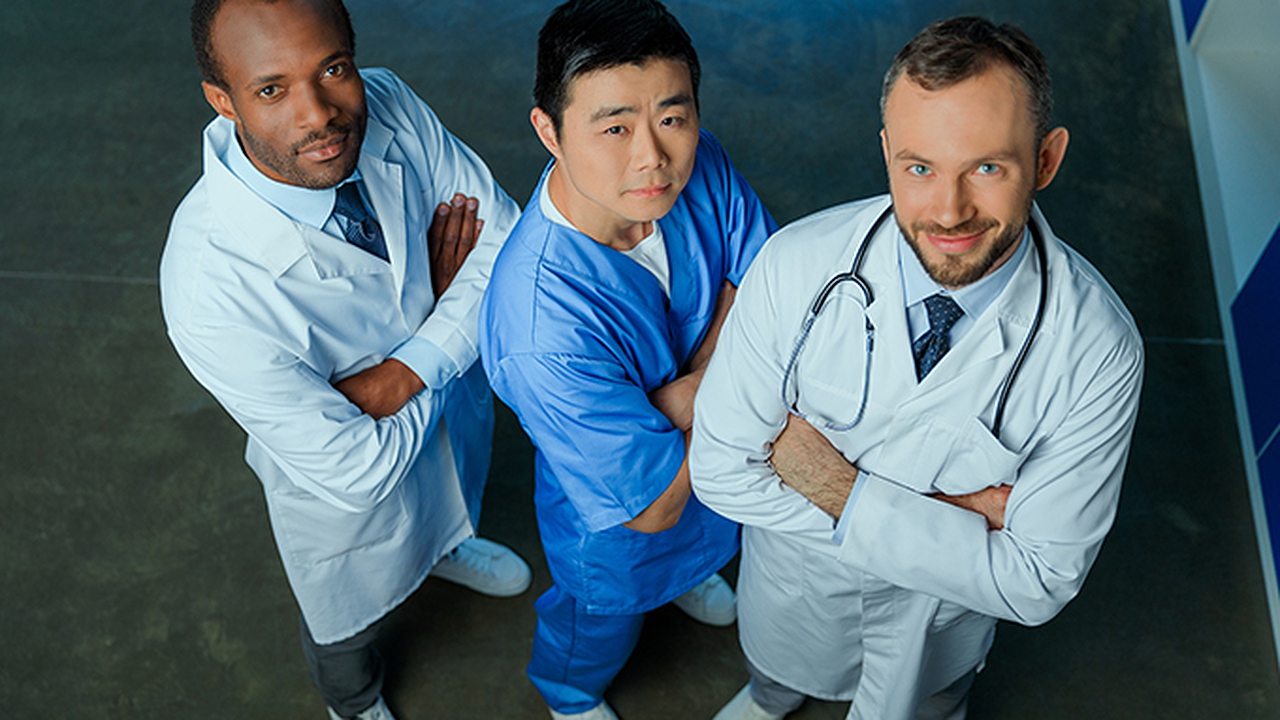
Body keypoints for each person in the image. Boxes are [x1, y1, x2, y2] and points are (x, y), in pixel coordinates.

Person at [691, 16, 1144, 720]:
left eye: (987, 168)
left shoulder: (1097, 349)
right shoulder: (797, 264)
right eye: (920, 168)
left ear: (1047, 159)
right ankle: (770, 700)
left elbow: (1037, 582)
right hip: (800, 595)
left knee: (932, 700)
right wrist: (956, 519)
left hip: (939, 628)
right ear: (887, 153)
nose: (949, 211)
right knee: (777, 674)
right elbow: (721, 473)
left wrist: (837, 487)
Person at [160, 1, 532, 718]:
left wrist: (403, 371)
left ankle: (446, 549)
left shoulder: (386, 99)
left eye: (333, 69)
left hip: (435, 421)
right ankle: (353, 702)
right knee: (345, 623)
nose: (320, 115)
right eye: (272, 89)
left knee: (451, 491)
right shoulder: (209, 289)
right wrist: (446, 323)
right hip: (342, 512)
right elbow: (357, 472)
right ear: (223, 100)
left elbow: (507, 245)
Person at [478, 1, 777, 718]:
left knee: (704, 532)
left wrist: (676, 400)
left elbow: (776, 290)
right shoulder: (539, 325)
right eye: (613, 127)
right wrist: (734, 352)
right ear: (549, 131)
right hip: (616, 534)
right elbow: (650, 503)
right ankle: (569, 696)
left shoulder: (697, 162)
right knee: (597, 626)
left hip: (710, 476)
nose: (653, 157)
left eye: (672, 117)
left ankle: (688, 574)